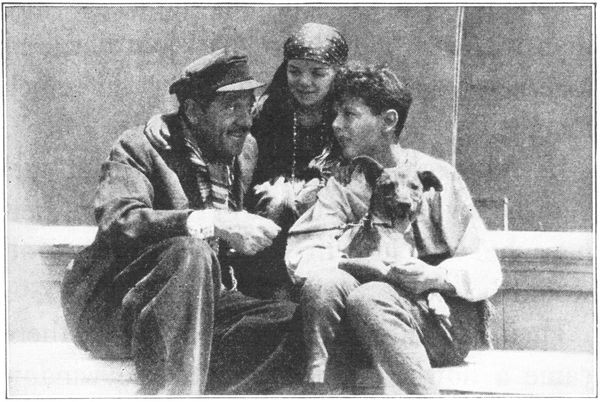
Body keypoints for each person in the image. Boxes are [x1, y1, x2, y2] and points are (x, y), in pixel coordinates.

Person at [60, 48, 304, 395]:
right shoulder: (139, 146)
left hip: (206, 304)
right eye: (231, 107)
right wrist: (211, 222)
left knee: (301, 322)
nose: (245, 119)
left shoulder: (245, 150)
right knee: (191, 252)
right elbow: (119, 219)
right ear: (192, 111)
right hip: (117, 309)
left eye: (248, 105)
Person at [285, 63, 503, 394]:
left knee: (370, 297)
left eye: (349, 114)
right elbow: (303, 255)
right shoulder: (344, 183)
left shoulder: (436, 176)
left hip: (440, 321)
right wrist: (358, 264)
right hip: (369, 316)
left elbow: (486, 266)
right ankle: (321, 390)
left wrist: (434, 276)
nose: (336, 124)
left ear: (388, 121)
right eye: (335, 114)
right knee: (323, 285)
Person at [143, 23, 349, 298]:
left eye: (318, 73)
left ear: (338, 73)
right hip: (269, 216)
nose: (304, 82)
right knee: (279, 200)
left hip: (331, 207)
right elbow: (214, 122)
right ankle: (269, 293)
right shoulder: (269, 109)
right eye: (294, 71)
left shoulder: (348, 112)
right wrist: (171, 122)